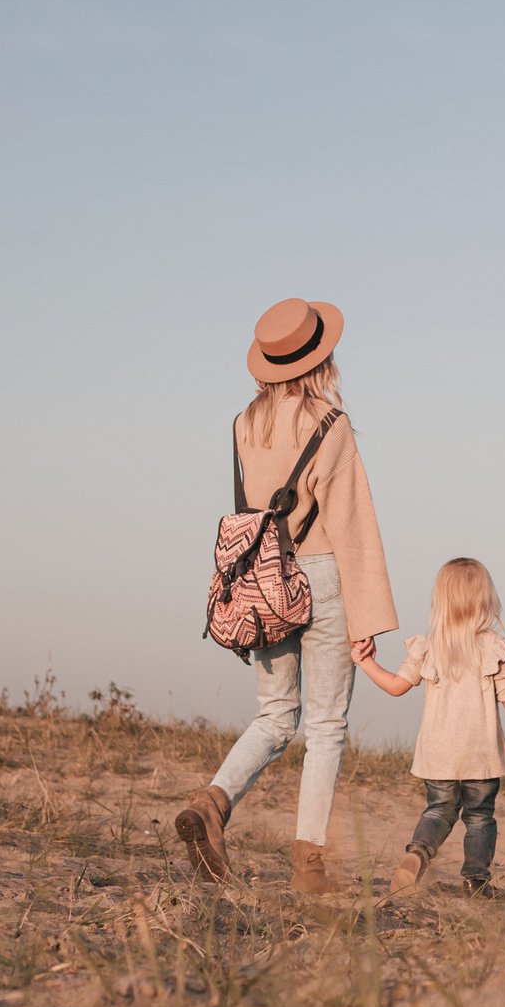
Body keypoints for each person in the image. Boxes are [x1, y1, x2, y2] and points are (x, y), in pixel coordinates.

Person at [176, 297, 398, 895]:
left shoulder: (245, 423)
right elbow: (352, 523)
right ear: (320, 356)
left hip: (262, 580)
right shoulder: (330, 422)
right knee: (325, 726)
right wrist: (370, 616)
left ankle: (213, 801)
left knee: (275, 715)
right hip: (320, 576)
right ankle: (309, 868)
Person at [350, 558, 505, 897]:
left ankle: (419, 851)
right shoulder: (492, 646)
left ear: (441, 600)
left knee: (439, 808)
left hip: (438, 753)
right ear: (485, 600)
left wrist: (365, 662)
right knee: (480, 816)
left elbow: (395, 686)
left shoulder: (428, 646)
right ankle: (475, 881)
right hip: (480, 755)